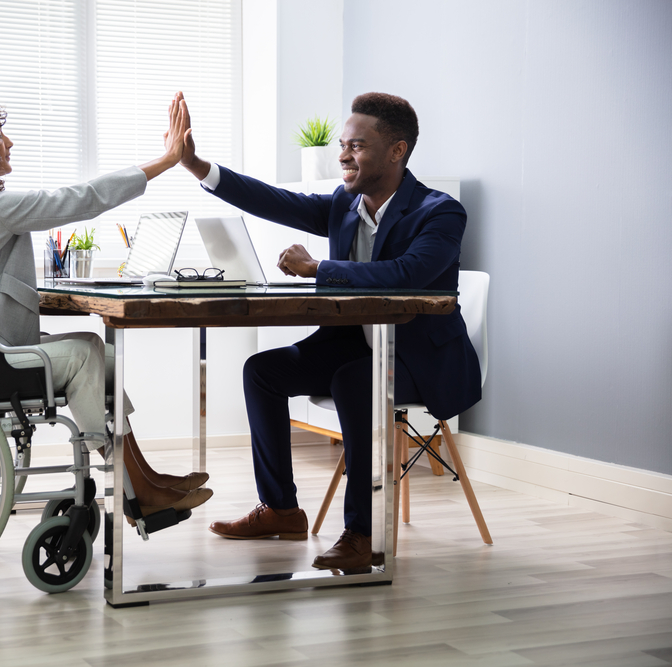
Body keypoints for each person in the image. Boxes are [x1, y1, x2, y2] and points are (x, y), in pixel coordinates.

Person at [176, 91, 481, 572]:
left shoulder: (440, 212)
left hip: (420, 360)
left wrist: (319, 266)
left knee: (356, 381)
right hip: (352, 347)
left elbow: (408, 274)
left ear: (397, 151)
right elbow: (277, 201)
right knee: (263, 371)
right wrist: (198, 166)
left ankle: (361, 534)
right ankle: (281, 509)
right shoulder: (345, 202)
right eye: (343, 144)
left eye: (356, 146)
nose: (343, 154)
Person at [0, 97, 212, 517]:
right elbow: (84, 197)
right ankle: (135, 484)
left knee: (92, 348)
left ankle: (143, 478)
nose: (9, 142)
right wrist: (168, 160)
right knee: (86, 353)